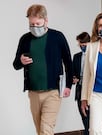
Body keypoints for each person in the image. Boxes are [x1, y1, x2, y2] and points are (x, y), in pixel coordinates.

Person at [13, 4, 73, 135]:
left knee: (46, 130)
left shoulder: (57, 37)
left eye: (37, 23)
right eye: (31, 24)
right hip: (33, 93)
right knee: (40, 131)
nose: (34, 27)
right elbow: (16, 64)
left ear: (46, 20)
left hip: (53, 92)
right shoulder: (25, 39)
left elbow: (68, 62)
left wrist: (68, 85)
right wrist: (21, 61)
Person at [72, 32, 90, 135]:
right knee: (83, 115)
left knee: (90, 116)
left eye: (84, 45)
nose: (82, 46)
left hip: (91, 90)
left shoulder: (94, 55)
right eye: (80, 44)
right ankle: (87, 131)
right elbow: (73, 73)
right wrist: (73, 78)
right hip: (79, 90)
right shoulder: (76, 57)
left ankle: (87, 133)